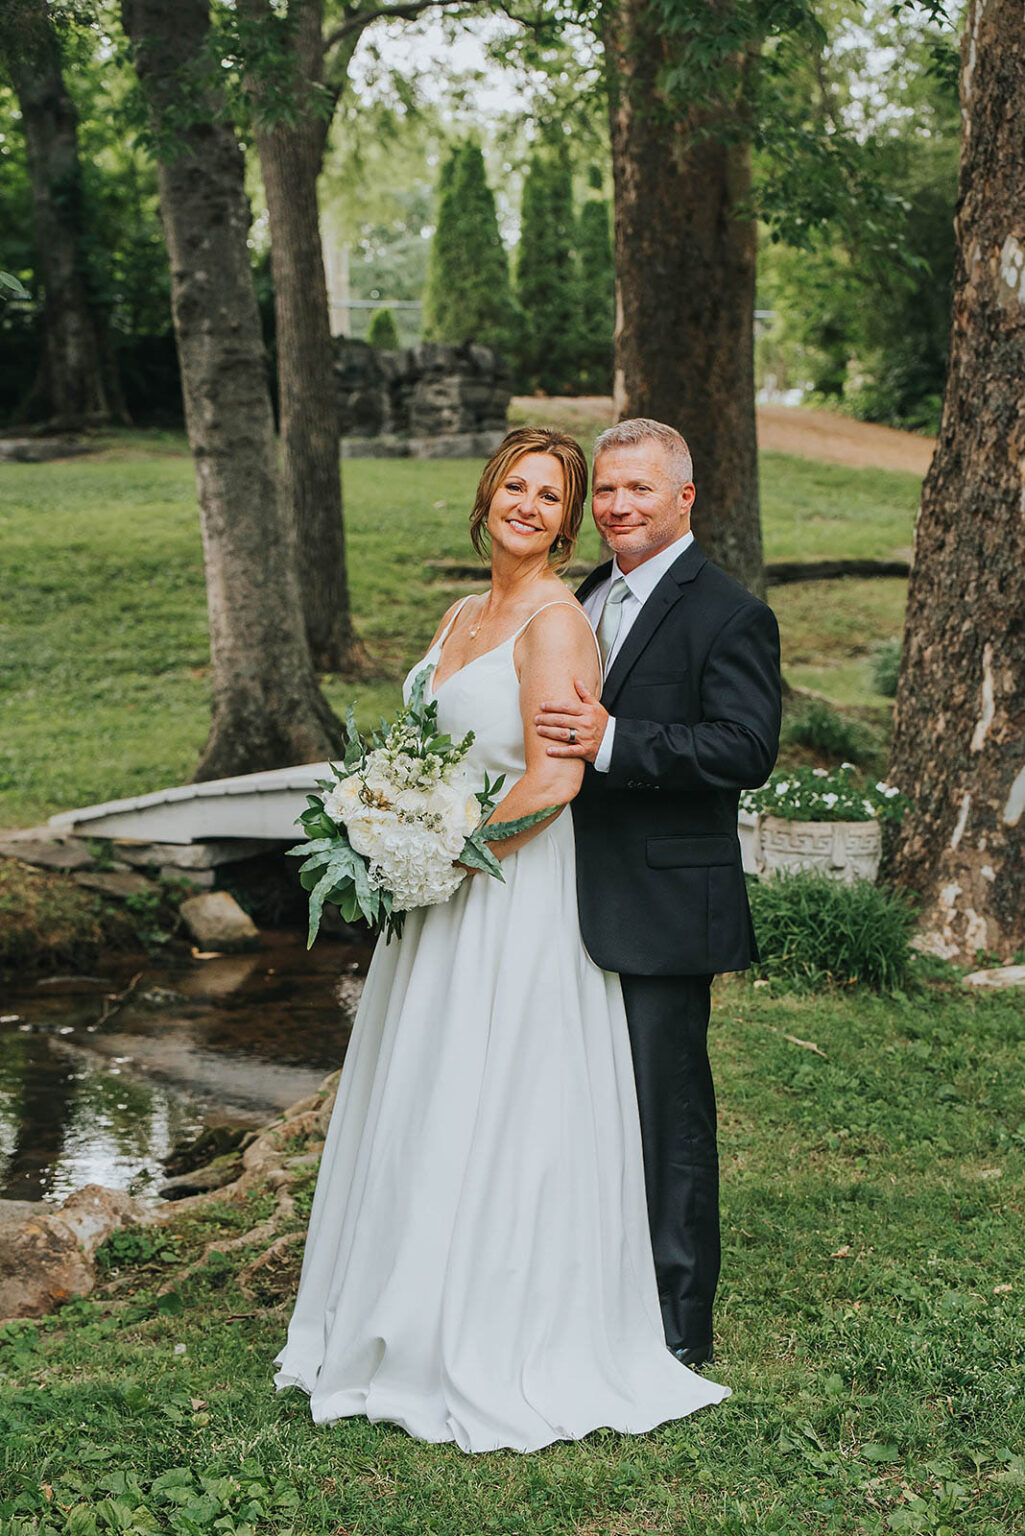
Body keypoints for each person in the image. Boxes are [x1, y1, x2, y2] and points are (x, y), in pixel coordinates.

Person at [273, 427, 729, 1452]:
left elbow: (555, 779)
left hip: (503, 892)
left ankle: (483, 1326)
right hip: (432, 894)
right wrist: (381, 818)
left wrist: (444, 856)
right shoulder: (459, 611)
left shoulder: (557, 622)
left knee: (496, 1097)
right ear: (485, 499)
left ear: (564, 525)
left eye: (549, 495)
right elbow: (422, 747)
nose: (528, 505)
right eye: (514, 486)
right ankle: (388, 1303)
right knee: (422, 1091)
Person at [536, 418, 782, 1368]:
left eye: (638, 489)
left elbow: (744, 749)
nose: (615, 506)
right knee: (585, 1107)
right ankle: (591, 1293)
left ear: (684, 498)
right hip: (571, 892)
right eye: (604, 490)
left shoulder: (727, 611)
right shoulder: (586, 593)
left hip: (667, 907)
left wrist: (612, 741)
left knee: (666, 1117)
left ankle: (680, 1330)